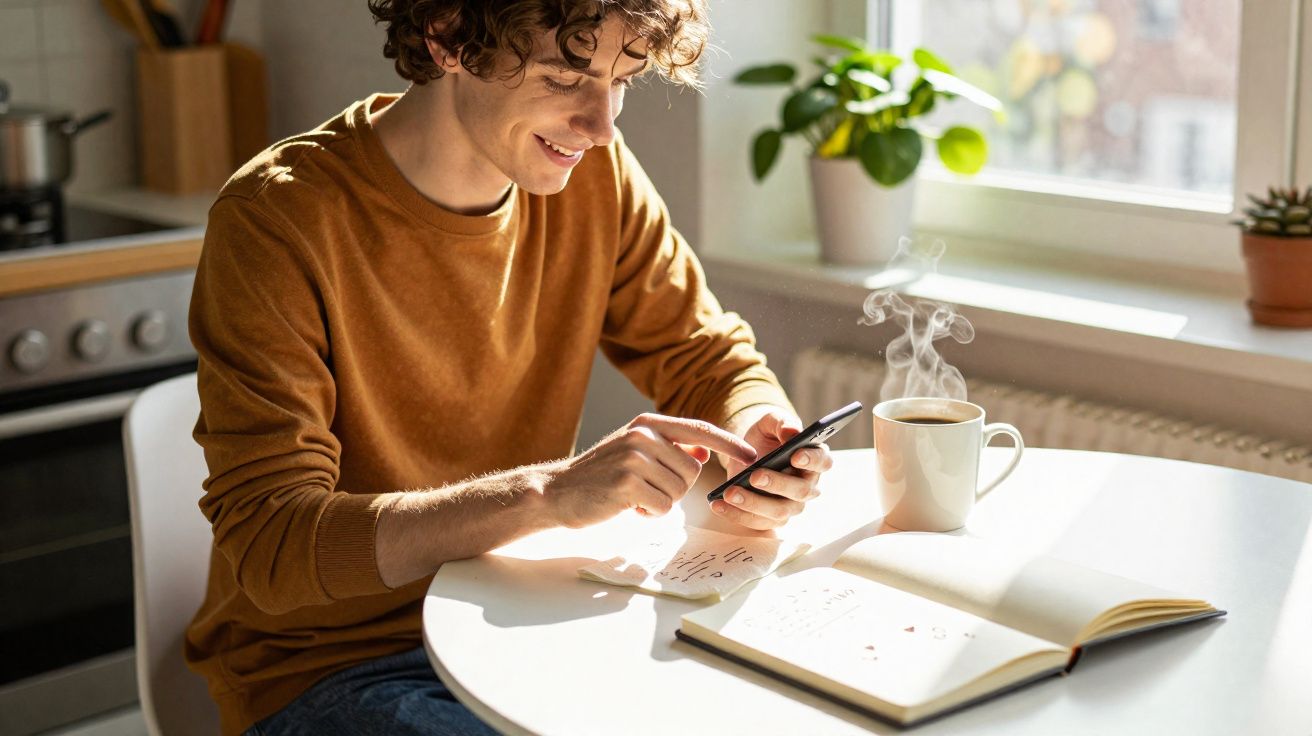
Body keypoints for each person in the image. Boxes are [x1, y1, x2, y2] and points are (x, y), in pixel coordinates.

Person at [186, 1, 834, 734]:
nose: (603, 126)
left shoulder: (596, 176)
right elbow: (272, 541)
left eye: (622, 80)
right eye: (566, 78)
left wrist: (762, 437)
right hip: (338, 667)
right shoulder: (277, 220)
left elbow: (708, 355)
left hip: (520, 619)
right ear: (449, 36)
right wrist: (545, 493)